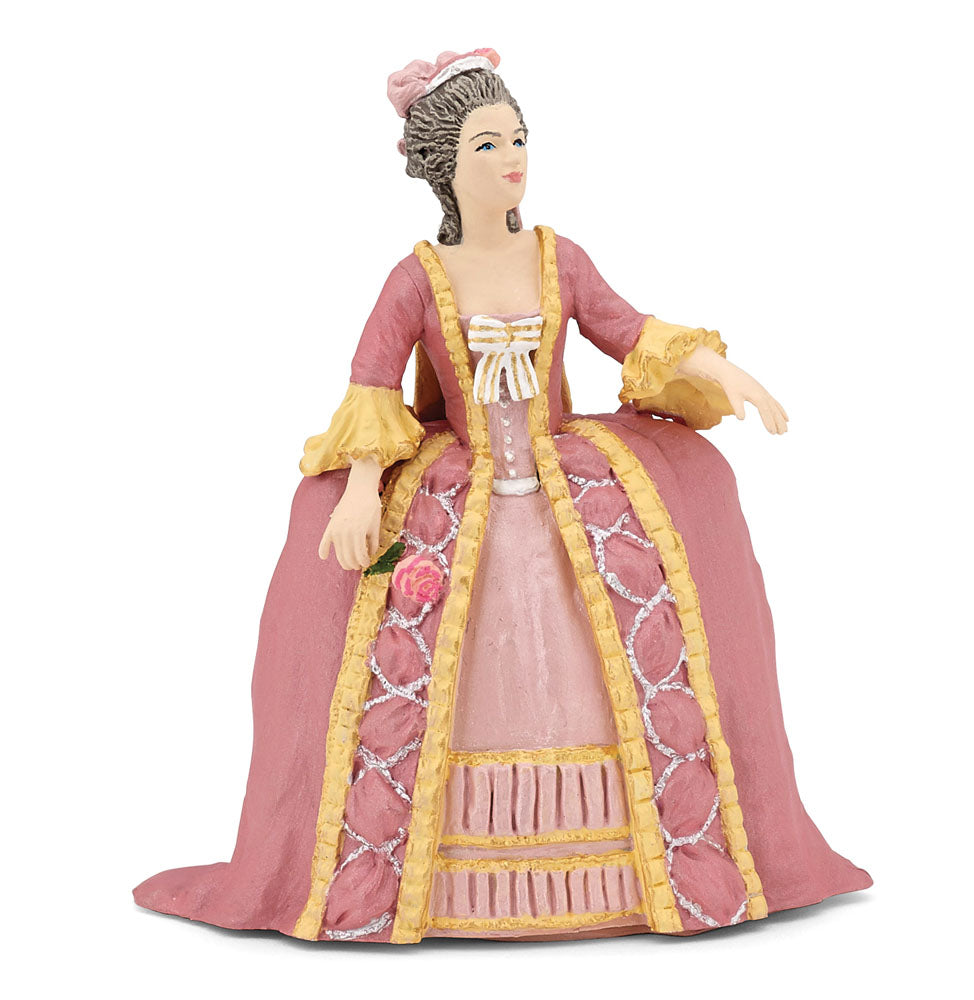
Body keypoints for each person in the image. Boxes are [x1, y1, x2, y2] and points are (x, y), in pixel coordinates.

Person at [133, 48, 870, 943]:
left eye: (518, 138)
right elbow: (372, 387)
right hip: (461, 495)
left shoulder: (559, 258)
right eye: (487, 145)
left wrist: (718, 368)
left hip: (566, 488)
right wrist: (361, 489)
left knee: (653, 574)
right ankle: (433, 871)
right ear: (444, 164)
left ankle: (633, 858)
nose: (512, 159)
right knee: (436, 650)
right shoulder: (417, 278)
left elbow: (626, 328)